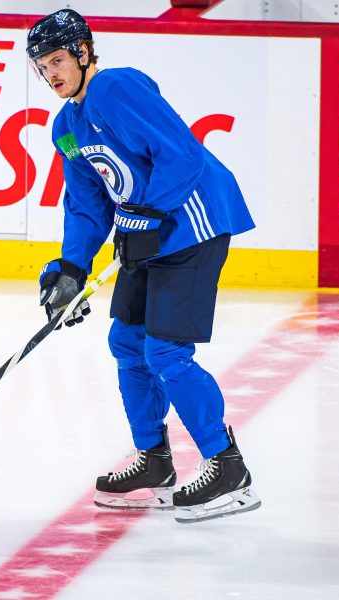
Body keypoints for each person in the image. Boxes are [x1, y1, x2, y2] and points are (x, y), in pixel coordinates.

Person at [29, 9, 261, 523]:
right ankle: (154, 460)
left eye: (58, 60)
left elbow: (183, 155)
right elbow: (86, 204)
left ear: (84, 51)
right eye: (42, 67)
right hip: (145, 233)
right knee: (127, 344)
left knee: (166, 352)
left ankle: (228, 467)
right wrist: (71, 268)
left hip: (192, 224)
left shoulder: (116, 88)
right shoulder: (66, 128)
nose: (51, 75)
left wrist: (149, 214)